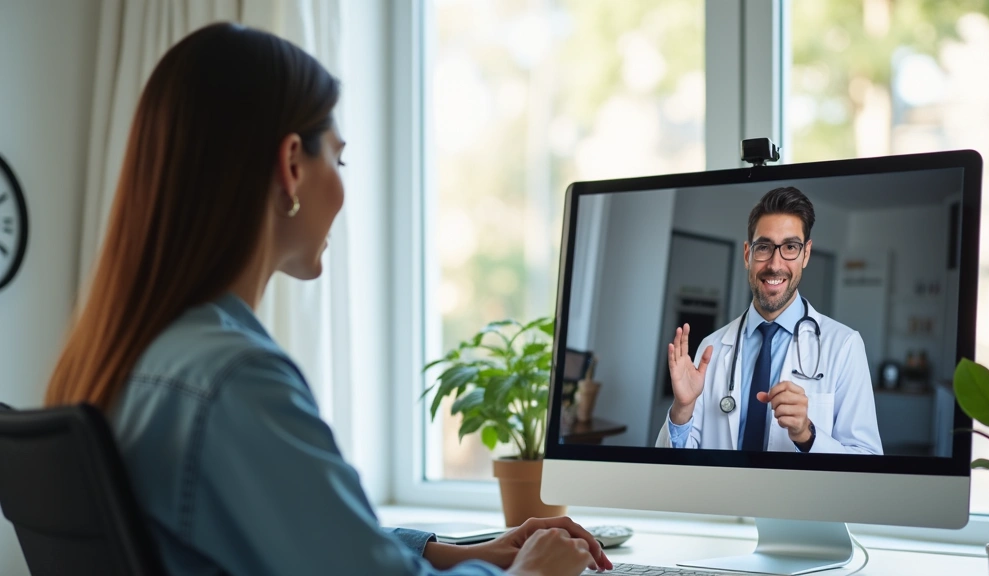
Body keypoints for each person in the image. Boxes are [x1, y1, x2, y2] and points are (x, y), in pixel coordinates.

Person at [44, 23, 613, 576]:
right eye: (337, 160)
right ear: (291, 165)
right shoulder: (234, 380)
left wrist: (453, 552)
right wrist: (532, 574)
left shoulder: (134, 355)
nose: (342, 187)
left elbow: (303, 538)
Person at [655, 187, 883, 455]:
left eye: (790, 247)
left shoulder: (844, 345)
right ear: (747, 254)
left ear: (806, 254)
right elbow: (676, 465)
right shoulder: (711, 348)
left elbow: (867, 460)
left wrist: (806, 434)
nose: (775, 264)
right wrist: (682, 408)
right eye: (763, 247)